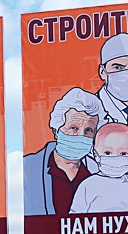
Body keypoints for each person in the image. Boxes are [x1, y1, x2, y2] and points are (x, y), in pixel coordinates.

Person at [23, 88, 101, 216]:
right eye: (74, 128)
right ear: (56, 130)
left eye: (89, 130)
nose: (81, 136)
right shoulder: (27, 168)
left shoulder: (99, 172)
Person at [69, 123, 128, 214]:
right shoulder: (89, 185)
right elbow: (75, 214)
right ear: (96, 155)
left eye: (123, 153)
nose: (116, 157)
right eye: (108, 153)